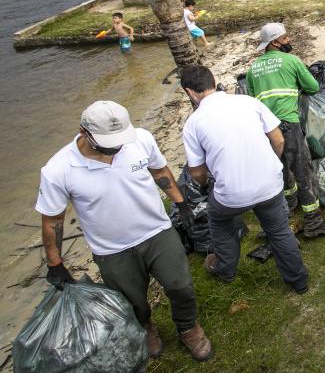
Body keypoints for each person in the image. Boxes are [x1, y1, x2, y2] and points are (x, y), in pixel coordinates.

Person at [36, 101, 212, 361]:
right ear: (84, 133)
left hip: (156, 232)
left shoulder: (140, 139)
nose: (117, 147)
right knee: (133, 300)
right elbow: (53, 221)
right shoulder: (58, 170)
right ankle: (146, 327)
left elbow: (160, 170)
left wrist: (181, 202)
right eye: (109, 142)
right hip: (112, 249)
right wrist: (55, 263)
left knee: (181, 285)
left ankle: (188, 327)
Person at [180, 65, 310, 294]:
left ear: (190, 92)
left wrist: (205, 186)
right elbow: (278, 140)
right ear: (214, 80)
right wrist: (268, 164)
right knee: (278, 230)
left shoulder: (193, 123)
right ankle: (299, 281)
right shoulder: (249, 102)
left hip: (231, 195)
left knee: (219, 223)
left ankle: (225, 269)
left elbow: (197, 172)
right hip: (270, 184)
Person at [245, 23, 325, 238]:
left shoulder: (252, 69)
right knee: (302, 169)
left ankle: (288, 212)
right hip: (288, 123)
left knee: (281, 169)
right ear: (275, 42)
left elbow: (251, 99)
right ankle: (313, 222)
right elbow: (313, 87)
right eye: (285, 38)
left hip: (266, 130)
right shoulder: (292, 61)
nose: (288, 42)